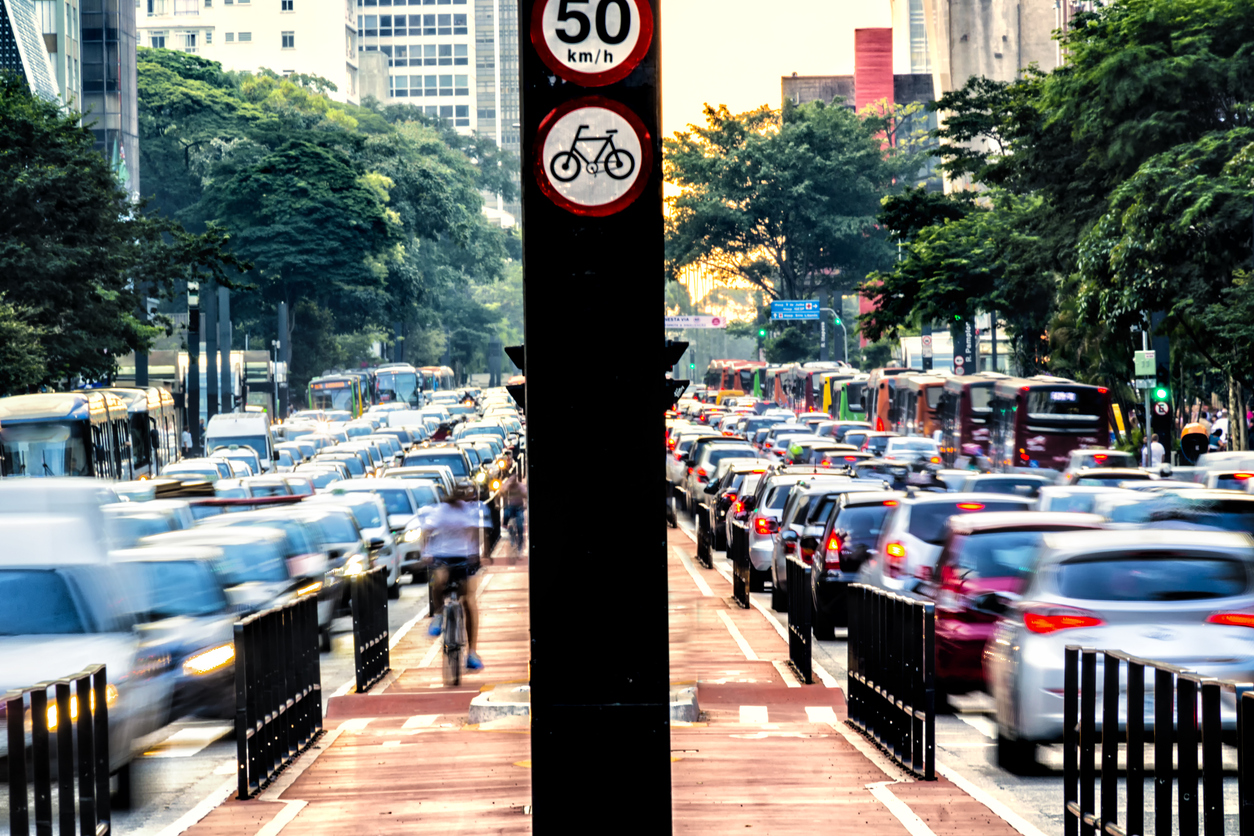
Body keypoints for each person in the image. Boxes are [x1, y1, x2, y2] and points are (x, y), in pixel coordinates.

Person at [423, 485, 489, 671]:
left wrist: (477, 553)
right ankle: (437, 614)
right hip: (443, 556)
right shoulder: (441, 511)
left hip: (463, 558)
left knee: (469, 600)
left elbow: (475, 532)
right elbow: (426, 530)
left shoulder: (468, 511)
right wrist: (426, 551)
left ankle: (472, 652)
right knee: (438, 581)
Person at [500, 466, 527, 557]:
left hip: (519, 507)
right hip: (511, 506)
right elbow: (502, 491)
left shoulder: (520, 486)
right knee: (506, 514)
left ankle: (520, 548)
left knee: (520, 526)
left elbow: (525, 494)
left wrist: (525, 504)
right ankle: (509, 531)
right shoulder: (508, 485)